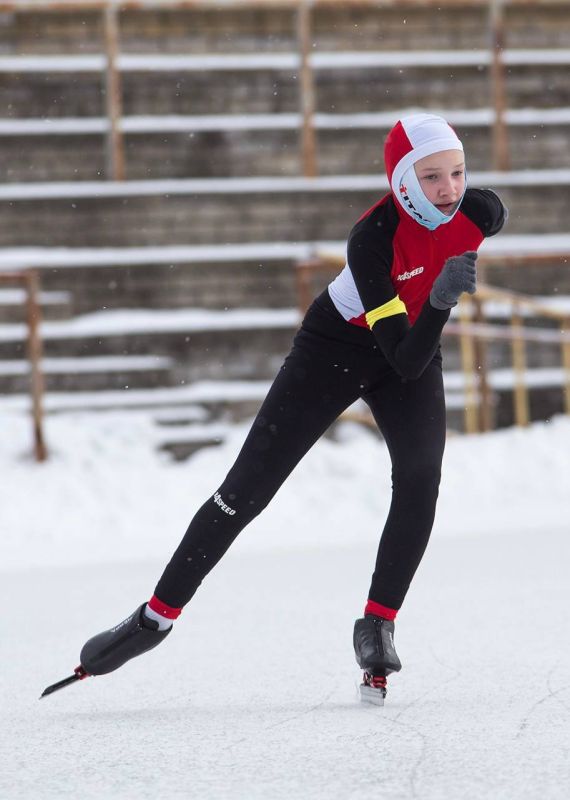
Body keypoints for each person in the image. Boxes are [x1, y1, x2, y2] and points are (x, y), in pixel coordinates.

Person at [77, 113, 507, 697]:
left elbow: (412, 357)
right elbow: (403, 358)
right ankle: (155, 616)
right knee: (247, 489)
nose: (449, 189)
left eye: (457, 172)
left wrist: (436, 299)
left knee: (420, 475)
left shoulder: (480, 212)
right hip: (339, 347)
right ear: (402, 181)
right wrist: (439, 299)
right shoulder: (372, 240)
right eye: (430, 176)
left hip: (412, 342)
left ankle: (378, 624)